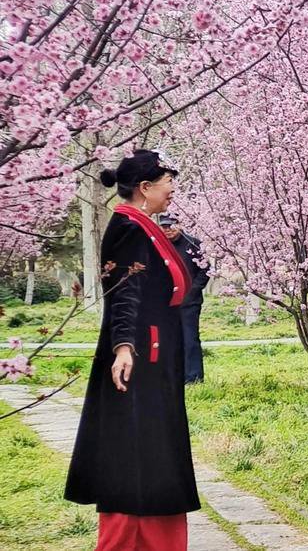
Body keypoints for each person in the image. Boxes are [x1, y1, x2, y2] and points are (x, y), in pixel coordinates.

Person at [65, 149, 200, 550]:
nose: (172, 189)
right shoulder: (129, 228)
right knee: (133, 450)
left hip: (155, 359)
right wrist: (123, 347)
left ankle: (160, 540)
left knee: (155, 451)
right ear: (145, 187)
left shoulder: (146, 227)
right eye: (168, 182)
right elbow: (123, 294)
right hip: (139, 359)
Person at [158, 213, 211, 384]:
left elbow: (205, 270)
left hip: (189, 302)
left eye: (171, 226)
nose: (168, 230)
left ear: (179, 225)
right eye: (164, 226)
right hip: (166, 302)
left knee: (190, 339)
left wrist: (192, 291)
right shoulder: (158, 245)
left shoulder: (193, 244)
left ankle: (193, 377)